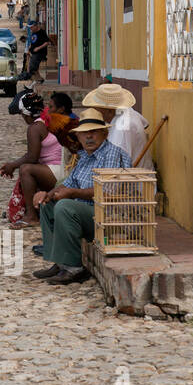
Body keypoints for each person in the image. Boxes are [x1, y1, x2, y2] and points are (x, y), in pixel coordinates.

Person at [32, 109, 131, 285]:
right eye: (84, 133)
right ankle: (61, 261)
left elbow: (109, 192)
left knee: (64, 207)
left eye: (93, 132)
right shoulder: (85, 156)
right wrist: (47, 195)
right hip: (86, 213)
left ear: (104, 133)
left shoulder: (112, 153)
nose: (89, 137)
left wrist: (72, 194)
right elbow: (68, 184)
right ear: (78, 137)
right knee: (48, 205)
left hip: (108, 216)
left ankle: (74, 268)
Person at [2, 91, 76, 228]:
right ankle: (36, 209)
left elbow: (32, 157)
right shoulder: (50, 119)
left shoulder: (35, 128)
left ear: (25, 114)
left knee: (26, 170)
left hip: (59, 170)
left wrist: (12, 165)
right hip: (64, 167)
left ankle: (32, 216)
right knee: (30, 169)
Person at [82, 83, 151, 169]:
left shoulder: (121, 131)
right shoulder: (127, 111)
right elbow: (145, 123)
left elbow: (114, 170)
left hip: (133, 180)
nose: (94, 111)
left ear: (110, 111)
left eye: (97, 108)